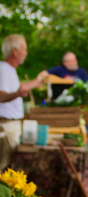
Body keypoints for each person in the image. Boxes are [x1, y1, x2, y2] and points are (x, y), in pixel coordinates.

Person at [0, 34, 47, 171]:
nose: (26, 53)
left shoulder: (9, 70)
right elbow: (1, 96)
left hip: (9, 127)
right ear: (15, 52)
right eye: (24, 49)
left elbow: (21, 88)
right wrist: (18, 94)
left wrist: (37, 81)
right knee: (4, 170)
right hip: (6, 128)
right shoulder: (4, 70)